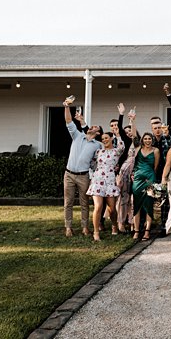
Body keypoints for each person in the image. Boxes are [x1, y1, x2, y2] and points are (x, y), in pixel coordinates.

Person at [62, 97, 102, 237]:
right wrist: (67, 106)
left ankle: (85, 227)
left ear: (98, 133)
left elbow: (101, 160)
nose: (92, 127)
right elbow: (69, 121)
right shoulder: (77, 136)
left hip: (84, 176)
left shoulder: (98, 145)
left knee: (85, 203)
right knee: (68, 202)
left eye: (95, 127)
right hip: (69, 174)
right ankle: (68, 227)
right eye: (91, 126)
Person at [86, 130, 124, 241]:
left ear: (111, 138)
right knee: (98, 206)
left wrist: (118, 134)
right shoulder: (98, 152)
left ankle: (114, 225)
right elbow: (92, 163)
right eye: (103, 139)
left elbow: (122, 146)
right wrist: (93, 175)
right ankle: (96, 232)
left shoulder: (116, 151)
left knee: (112, 209)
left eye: (106, 138)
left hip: (110, 181)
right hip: (98, 180)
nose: (104, 140)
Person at [131, 132, 159, 241]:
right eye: (146, 138)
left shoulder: (156, 151)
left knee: (148, 205)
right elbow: (133, 135)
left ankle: (147, 231)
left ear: (152, 140)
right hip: (137, 179)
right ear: (142, 140)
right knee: (137, 205)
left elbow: (155, 167)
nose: (148, 140)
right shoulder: (138, 149)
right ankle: (137, 231)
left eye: (150, 139)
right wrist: (132, 120)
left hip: (149, 179)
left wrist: (151, 177)